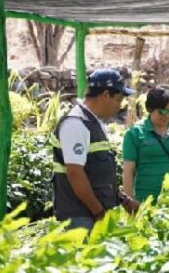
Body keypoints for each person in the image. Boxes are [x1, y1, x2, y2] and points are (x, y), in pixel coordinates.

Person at [51, 68, 140, 230]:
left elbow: (96, 174)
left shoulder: (93, 122)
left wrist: (124, 200)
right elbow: (75, 173)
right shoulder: (76, 124)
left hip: (91, 215)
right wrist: (99, 213)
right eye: (118, 99)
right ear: (105, 95)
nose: (119, 106)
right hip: (81, 217)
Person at [122, 85, 169, 202]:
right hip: (145, 201)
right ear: (151, 109)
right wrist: (129, 201)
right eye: (162, 111)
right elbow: (128, 170)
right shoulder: (134, 133)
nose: (167, 116)